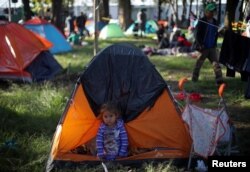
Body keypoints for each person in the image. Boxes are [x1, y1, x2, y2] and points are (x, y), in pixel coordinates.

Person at [192, 2, 224, 85]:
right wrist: (200, 44)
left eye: (213, 11)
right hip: (203, 48)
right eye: (211, 11)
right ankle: (194, 79)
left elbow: (216, 33)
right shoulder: (202, 21)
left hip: (212, 47)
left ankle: (219, 81)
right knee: (198, 64)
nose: (212, 13)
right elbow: (196, 34)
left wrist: (220, 32)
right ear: (206, 12)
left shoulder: (215, 22)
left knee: (216, 64)